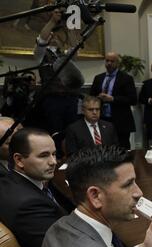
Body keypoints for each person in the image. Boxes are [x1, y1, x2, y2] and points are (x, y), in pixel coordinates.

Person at [0, 128, 67, 247]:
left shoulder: (6, 181)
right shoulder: (29, 205)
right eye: (44, 155)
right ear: (19, 160)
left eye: (54, 154)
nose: (53, 162)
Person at [34, 8, 84, 158]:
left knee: (72, 131)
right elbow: (41, 40)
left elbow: (75, 49)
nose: (55, 36)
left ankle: (73, 160)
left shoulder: (64, 54)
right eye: (52, 33)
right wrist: (53, 21)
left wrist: (69, 27)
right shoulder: (40, 54)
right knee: (55, 133)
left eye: (57, 34)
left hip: (70, 99)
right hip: (52, 99)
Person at [90, 52, 137, 149]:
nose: (109, 63)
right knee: (104, 148)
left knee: (122, 148)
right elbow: (91, 97)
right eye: (107, 61)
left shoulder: (126, 78)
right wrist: (98, 98)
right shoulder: (98, 78)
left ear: (117, 63)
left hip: (121, 120)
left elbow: (133, 99)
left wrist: (113, 99)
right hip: (102, 119)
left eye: (112, 61)